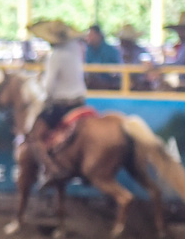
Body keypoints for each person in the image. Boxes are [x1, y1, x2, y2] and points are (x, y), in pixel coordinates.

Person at [27, 18, 87, 181]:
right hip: (80, 103)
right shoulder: (76, 49)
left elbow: (48, 88)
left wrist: (38, 83)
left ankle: (51, 169)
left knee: (35, 137)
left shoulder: (56, 56)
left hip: (62, 106)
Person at [83, 24, 121, 90]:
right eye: (88, 35)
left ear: (98, 35)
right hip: (92, 85)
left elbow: (118, 69)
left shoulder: (111, 50)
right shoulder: (88, 50)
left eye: (91, 35)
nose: (89, 38)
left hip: (109, 85)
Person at [116, 24, 152, 90]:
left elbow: (151, 64)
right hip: (118, 83)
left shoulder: (140, 51)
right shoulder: (116, 51)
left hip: (139, 83)